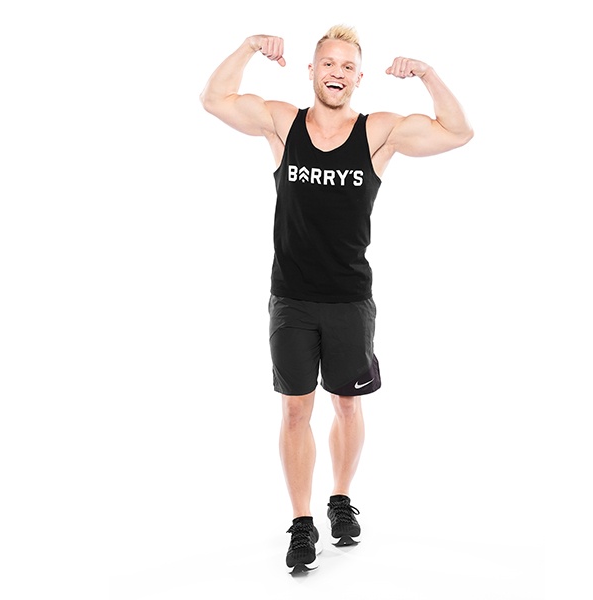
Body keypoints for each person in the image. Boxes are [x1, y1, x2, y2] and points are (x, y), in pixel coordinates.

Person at [200, 25, 473, 574]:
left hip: (350, 298)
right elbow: (215, 99)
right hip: (292, 298)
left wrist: (426, 74)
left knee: (347, 404)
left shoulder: (377, 133)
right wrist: (250, 46)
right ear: (312, 70)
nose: (336, 73)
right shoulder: (283, 123)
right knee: (296, 407)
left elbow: (458, 132)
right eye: (328, 63)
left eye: (347, 66)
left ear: (358, 77)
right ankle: (302, 523)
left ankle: (341, 498)